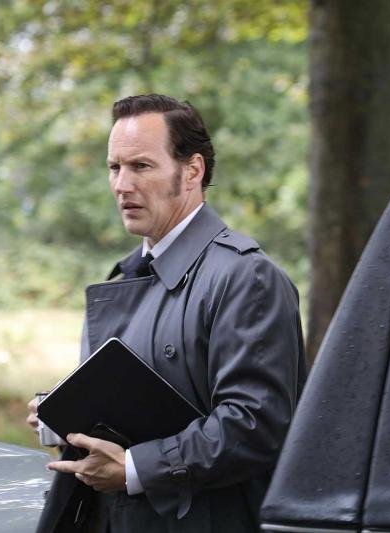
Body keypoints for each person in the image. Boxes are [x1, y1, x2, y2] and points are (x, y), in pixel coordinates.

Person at [28, 94, 307, 532]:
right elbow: (137, 400)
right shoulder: (127, 277)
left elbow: (254, 425)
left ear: (192, 171)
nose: (122, 185)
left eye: (141, 166)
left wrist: (135, 469)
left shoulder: (246, 277)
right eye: (114, 167)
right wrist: (64, 417)